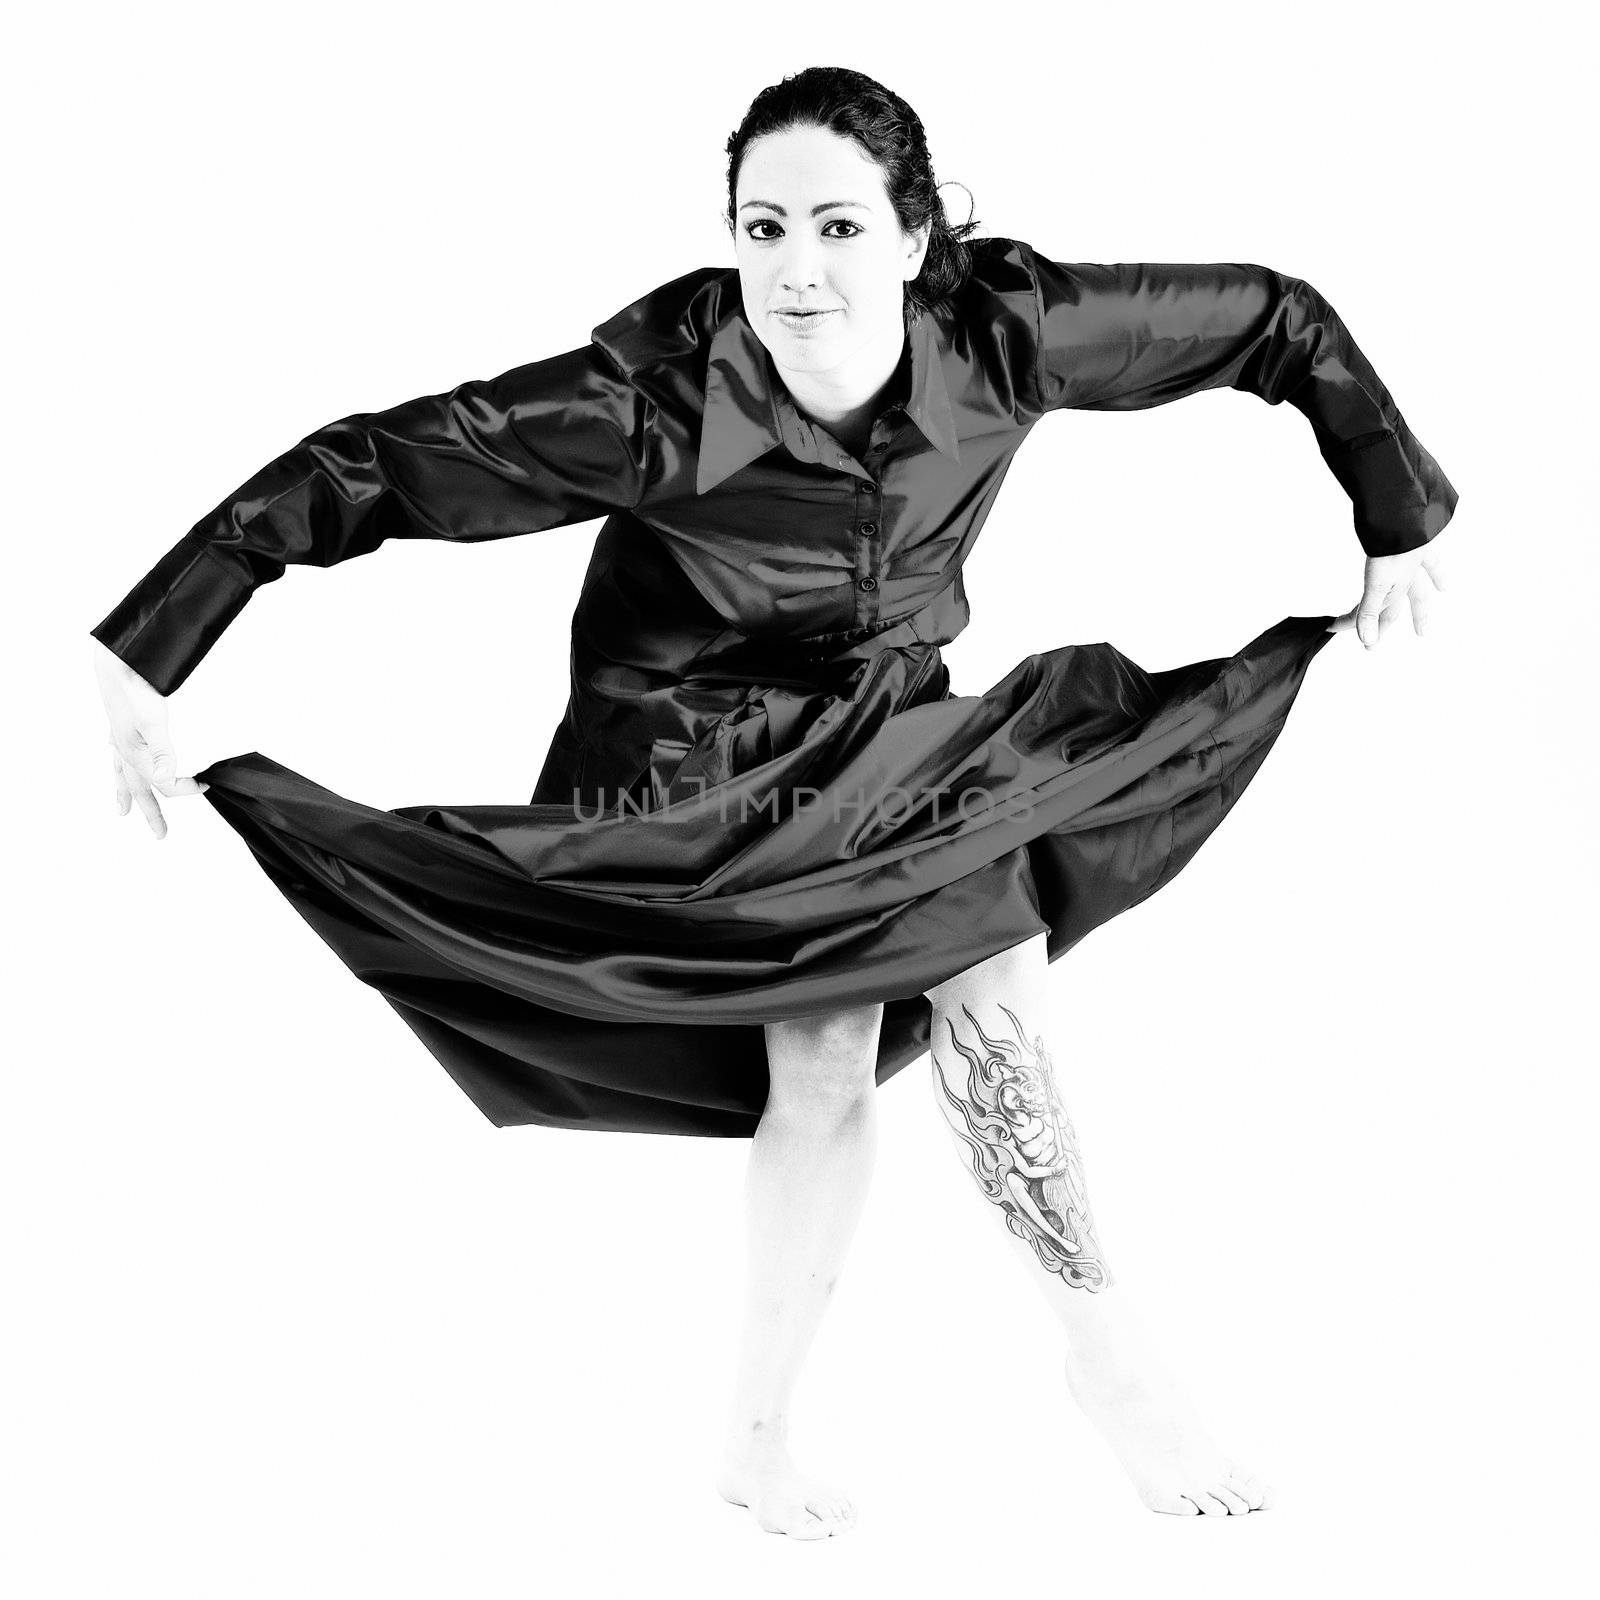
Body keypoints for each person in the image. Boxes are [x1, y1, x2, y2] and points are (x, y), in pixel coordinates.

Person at [90, 67, 1456, 1538]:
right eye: (765, 227)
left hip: (881, 708)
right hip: (685, 743)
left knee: (985, 957)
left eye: (841, 227)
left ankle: (1104, 1359)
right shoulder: (645, 402)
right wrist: (146, 646)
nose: (799, 271)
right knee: (819, 1050)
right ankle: (771, 1429)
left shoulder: (1006, 336)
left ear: (919, 236)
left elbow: (1276, 318)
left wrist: (1397, 512)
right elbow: (373, 467)